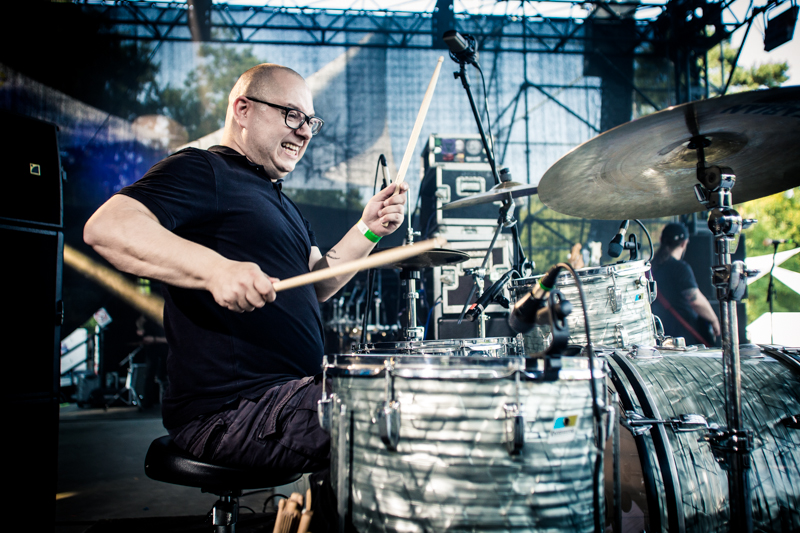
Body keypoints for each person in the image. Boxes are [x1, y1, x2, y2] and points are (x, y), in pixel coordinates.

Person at [84, 63, 408, 521]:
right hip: (234, 410)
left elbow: (320, 283)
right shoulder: (204, 169)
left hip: (290, 396)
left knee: (396, 396)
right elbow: (107, 227)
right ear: (243, 110)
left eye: (311, 122)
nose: (305, 132)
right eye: (292, 116)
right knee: (391, 408)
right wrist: (215, 269)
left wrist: (368, 229)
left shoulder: (282, 202)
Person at [651, 222, 721, 346]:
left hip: (658, 334)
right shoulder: (680, 268)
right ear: (684, 243)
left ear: (661, 240)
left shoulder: (651, 268)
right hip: (682, 336)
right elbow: (695, 301)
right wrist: (714, 320)